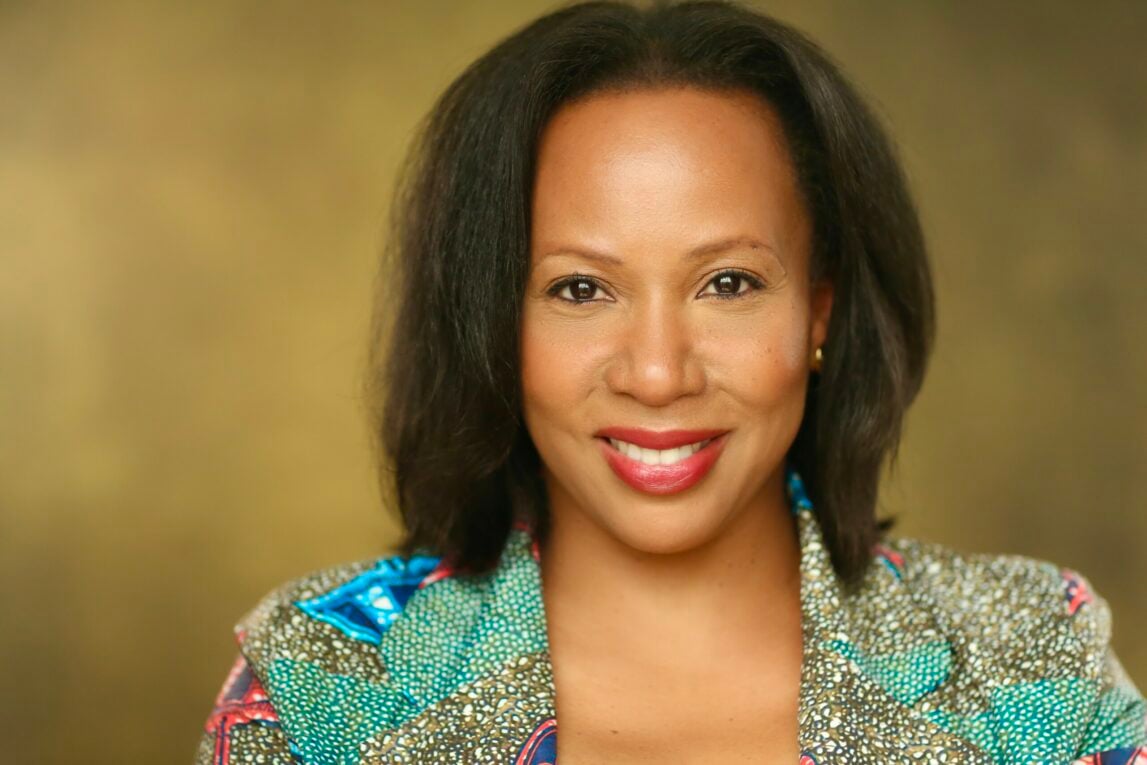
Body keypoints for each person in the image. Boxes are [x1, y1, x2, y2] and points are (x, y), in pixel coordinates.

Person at [195, 1, 1147, 763]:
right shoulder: (317, 688)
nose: (657, 373)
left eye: (727, 283)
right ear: (493, 320)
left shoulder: (1034, 663)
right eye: (579, 287)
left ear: (817, 311)